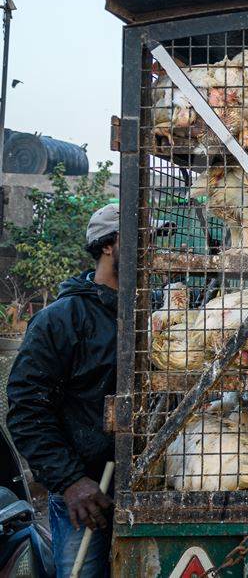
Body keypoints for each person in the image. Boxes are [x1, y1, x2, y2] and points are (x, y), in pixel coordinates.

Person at [7, 203, 120, 578]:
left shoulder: (155, 310)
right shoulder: (62, 319)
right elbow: (27, 409)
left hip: (147, 485)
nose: (152, 247)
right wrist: (71, 480)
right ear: (109, 245)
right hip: (87, 494)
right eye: (143, 238)